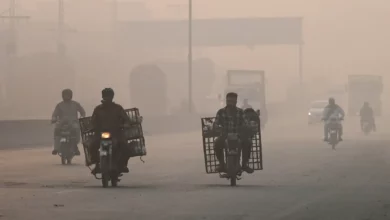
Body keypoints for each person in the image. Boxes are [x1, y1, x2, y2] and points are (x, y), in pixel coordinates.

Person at [90, 88, 132, 175]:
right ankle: (97, 163)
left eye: (109, 96)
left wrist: (126, 125)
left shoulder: (118, 108)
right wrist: (92, 127)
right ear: (102, 96)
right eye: (105, 96)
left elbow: (126, 119)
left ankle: (122, 165)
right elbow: (92, 121)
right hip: (101, 133)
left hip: (116, 133)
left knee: (126, 148)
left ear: (112, 97)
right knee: (92, 146)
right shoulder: (98, 109)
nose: (107, 98)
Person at [213, 92, 254, 174]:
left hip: (239, 135)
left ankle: (244, 164)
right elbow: (216, 123)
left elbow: (246, 123)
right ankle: (222, 164)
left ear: (236, 102)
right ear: (226, 101)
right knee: (217, 143)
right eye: (229, 101)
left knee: (248, 142)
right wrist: (218, 128)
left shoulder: (241, 112)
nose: (231, 103)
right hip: (225, 136)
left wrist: (248, 127)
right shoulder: (221, 112)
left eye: (233, 101)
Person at [51, 89, 86, 155]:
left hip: (73, 122)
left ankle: (75, 147)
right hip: (62, 123)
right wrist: (53, 119)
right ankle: (56, 148)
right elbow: (55, 114)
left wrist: (82, 116)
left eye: (68, 95)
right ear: (62, 96)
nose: (66, 97)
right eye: (65, 95)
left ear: (71, 96)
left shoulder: (75, 104)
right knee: (57, 130)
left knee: (76, 129)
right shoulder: (59, 105)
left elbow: (82, 112)